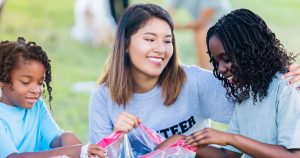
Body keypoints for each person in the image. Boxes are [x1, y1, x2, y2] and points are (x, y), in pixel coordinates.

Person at [89, 3, 300, 151]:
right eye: (150, 39)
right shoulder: (103, 99)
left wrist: (290, 78)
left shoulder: (194, 82)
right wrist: (117, 136)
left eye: (167, 40)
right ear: (125, 44)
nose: (160, 49)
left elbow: (263, 100)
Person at [185, 9, 300, 158]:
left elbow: (294, 155)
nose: (220, 69)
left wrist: (230, 139)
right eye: (216, 62)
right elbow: (228, 156)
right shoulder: (246, 95)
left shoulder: (288, 86)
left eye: (226, 58)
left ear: (250, 50)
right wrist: (185, 141)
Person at [0, 37, 104, 158]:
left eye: (40, 83)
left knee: (68, 136)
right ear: (2, 80)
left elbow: (57, 139)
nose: (37, 90)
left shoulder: (36, 105)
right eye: (25, 82)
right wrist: (71, 151)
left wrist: (80, 149)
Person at [166, 0, 231, 69]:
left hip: (225, 26)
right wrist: (171, 19)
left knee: (201, 33)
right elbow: (168, 10)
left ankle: (205, 71)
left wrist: (180, 26)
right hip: (206, 25)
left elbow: (202, 22)